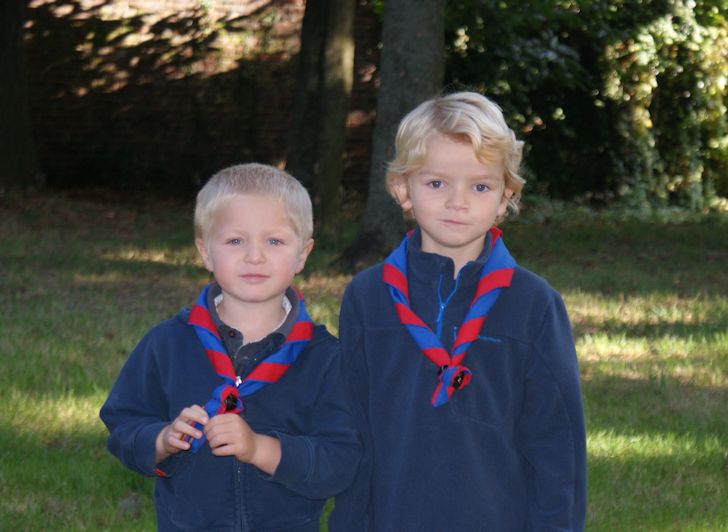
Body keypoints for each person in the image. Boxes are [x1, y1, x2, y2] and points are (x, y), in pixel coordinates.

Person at [329, 92, 587, 531]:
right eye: (437, 183)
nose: (458, 201)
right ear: (402, 189)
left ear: (505, 197)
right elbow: (354, 432)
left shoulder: (534, 304)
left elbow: (557, 447)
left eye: (480, 187)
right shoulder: (367, 298)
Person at [100, 163, 361, 531]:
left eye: (274, 241)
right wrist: (161, 440)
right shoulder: (167, 344)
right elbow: (123, 424)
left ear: (303, 254)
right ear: (205, 251)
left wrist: (260, 449)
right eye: (235, 240)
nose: (254, 255)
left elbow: (342, 459)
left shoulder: (326, 359)